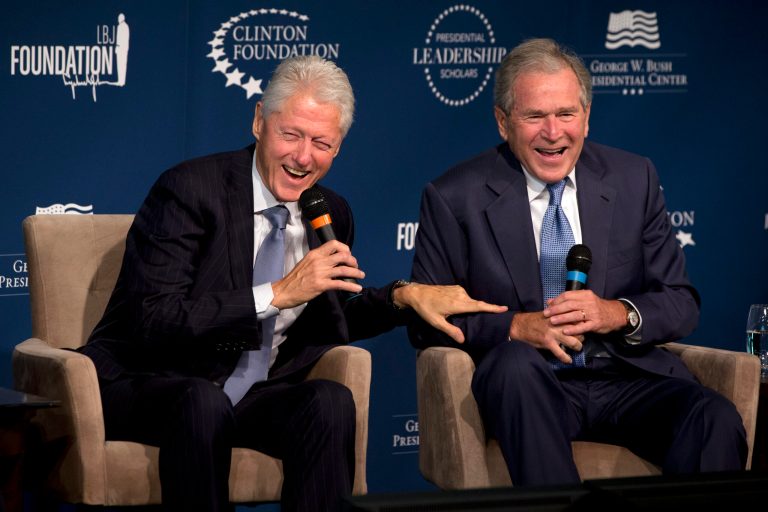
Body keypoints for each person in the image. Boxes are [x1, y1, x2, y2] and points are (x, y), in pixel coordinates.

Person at [78, 55, 506, 511]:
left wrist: (402, 295)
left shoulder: (329, 211)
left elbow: (332, 317)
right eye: (292, 135)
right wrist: (278, 293)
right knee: (202, 401)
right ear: (260, 120)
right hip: (150, 384)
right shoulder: (189, 190)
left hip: (247, 395)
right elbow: (153, 318)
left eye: (321, 142)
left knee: (329, 401)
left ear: (338, 146)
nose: (304, 157)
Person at [407, 38, 747, 486]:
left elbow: (680, 301)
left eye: (566, 114)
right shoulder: (454, 197)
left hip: (626, 377)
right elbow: (425, 322)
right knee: (513, 364)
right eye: (534, 116)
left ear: (586, 118)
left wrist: (614, 312)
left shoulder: (633, 178)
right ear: (503, 122)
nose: (553, 132)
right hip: (530, 386)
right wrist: (516, 327)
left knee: (714, 417)